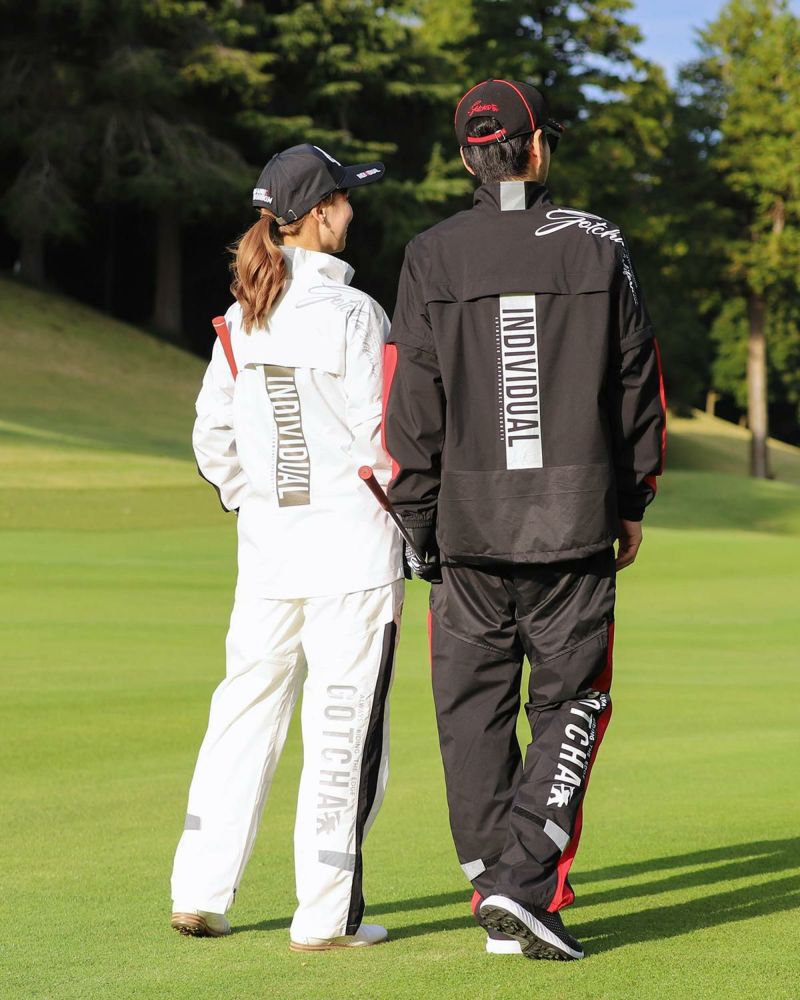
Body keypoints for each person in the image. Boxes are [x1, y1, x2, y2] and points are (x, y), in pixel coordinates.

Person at [384, 79, 666, 960]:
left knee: (470, 713)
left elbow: (408, 404)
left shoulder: (430, 253)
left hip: (466, 531)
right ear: (536, 146)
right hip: (572, 525)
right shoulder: (597, 243)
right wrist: (633, 499)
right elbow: (638, 381)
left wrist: (417, 522)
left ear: (469, 157)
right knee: (573, 703)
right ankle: (521, 883)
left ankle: (498, 884)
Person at [170, 144, 403, 951]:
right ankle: (325, 917)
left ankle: (199, 889)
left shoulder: (242, 316)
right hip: (354, 554)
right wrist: (412, 524)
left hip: (271, 552)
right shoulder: (357, 314)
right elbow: (384, 443)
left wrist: (260, 502)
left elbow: (213, 438)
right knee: (342, 724)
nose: (353, 210)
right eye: (344, 197)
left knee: (243, 713)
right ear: (317, 213)